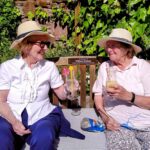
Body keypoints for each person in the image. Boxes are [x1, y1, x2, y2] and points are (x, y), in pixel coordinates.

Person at [0, 20, 84, 150]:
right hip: (10, 116)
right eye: (41, 44)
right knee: (2, 138)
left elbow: (61, 95)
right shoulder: (7, 67)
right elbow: (1, 101)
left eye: (46, 44)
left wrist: (68, 90)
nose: (45, 48)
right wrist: (15, 122)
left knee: (44, 137)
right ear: (25, 44)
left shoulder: (49, 67)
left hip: (42, 115)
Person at [93, 28, 150, 150]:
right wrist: (105, 118)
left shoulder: (142, 67)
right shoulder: (105, 67)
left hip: (146, 124)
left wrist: (129, 96)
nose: (109, 49)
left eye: (114, 46)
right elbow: (98, 95)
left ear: (127, 49)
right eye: (108, 46)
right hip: (117, 125)